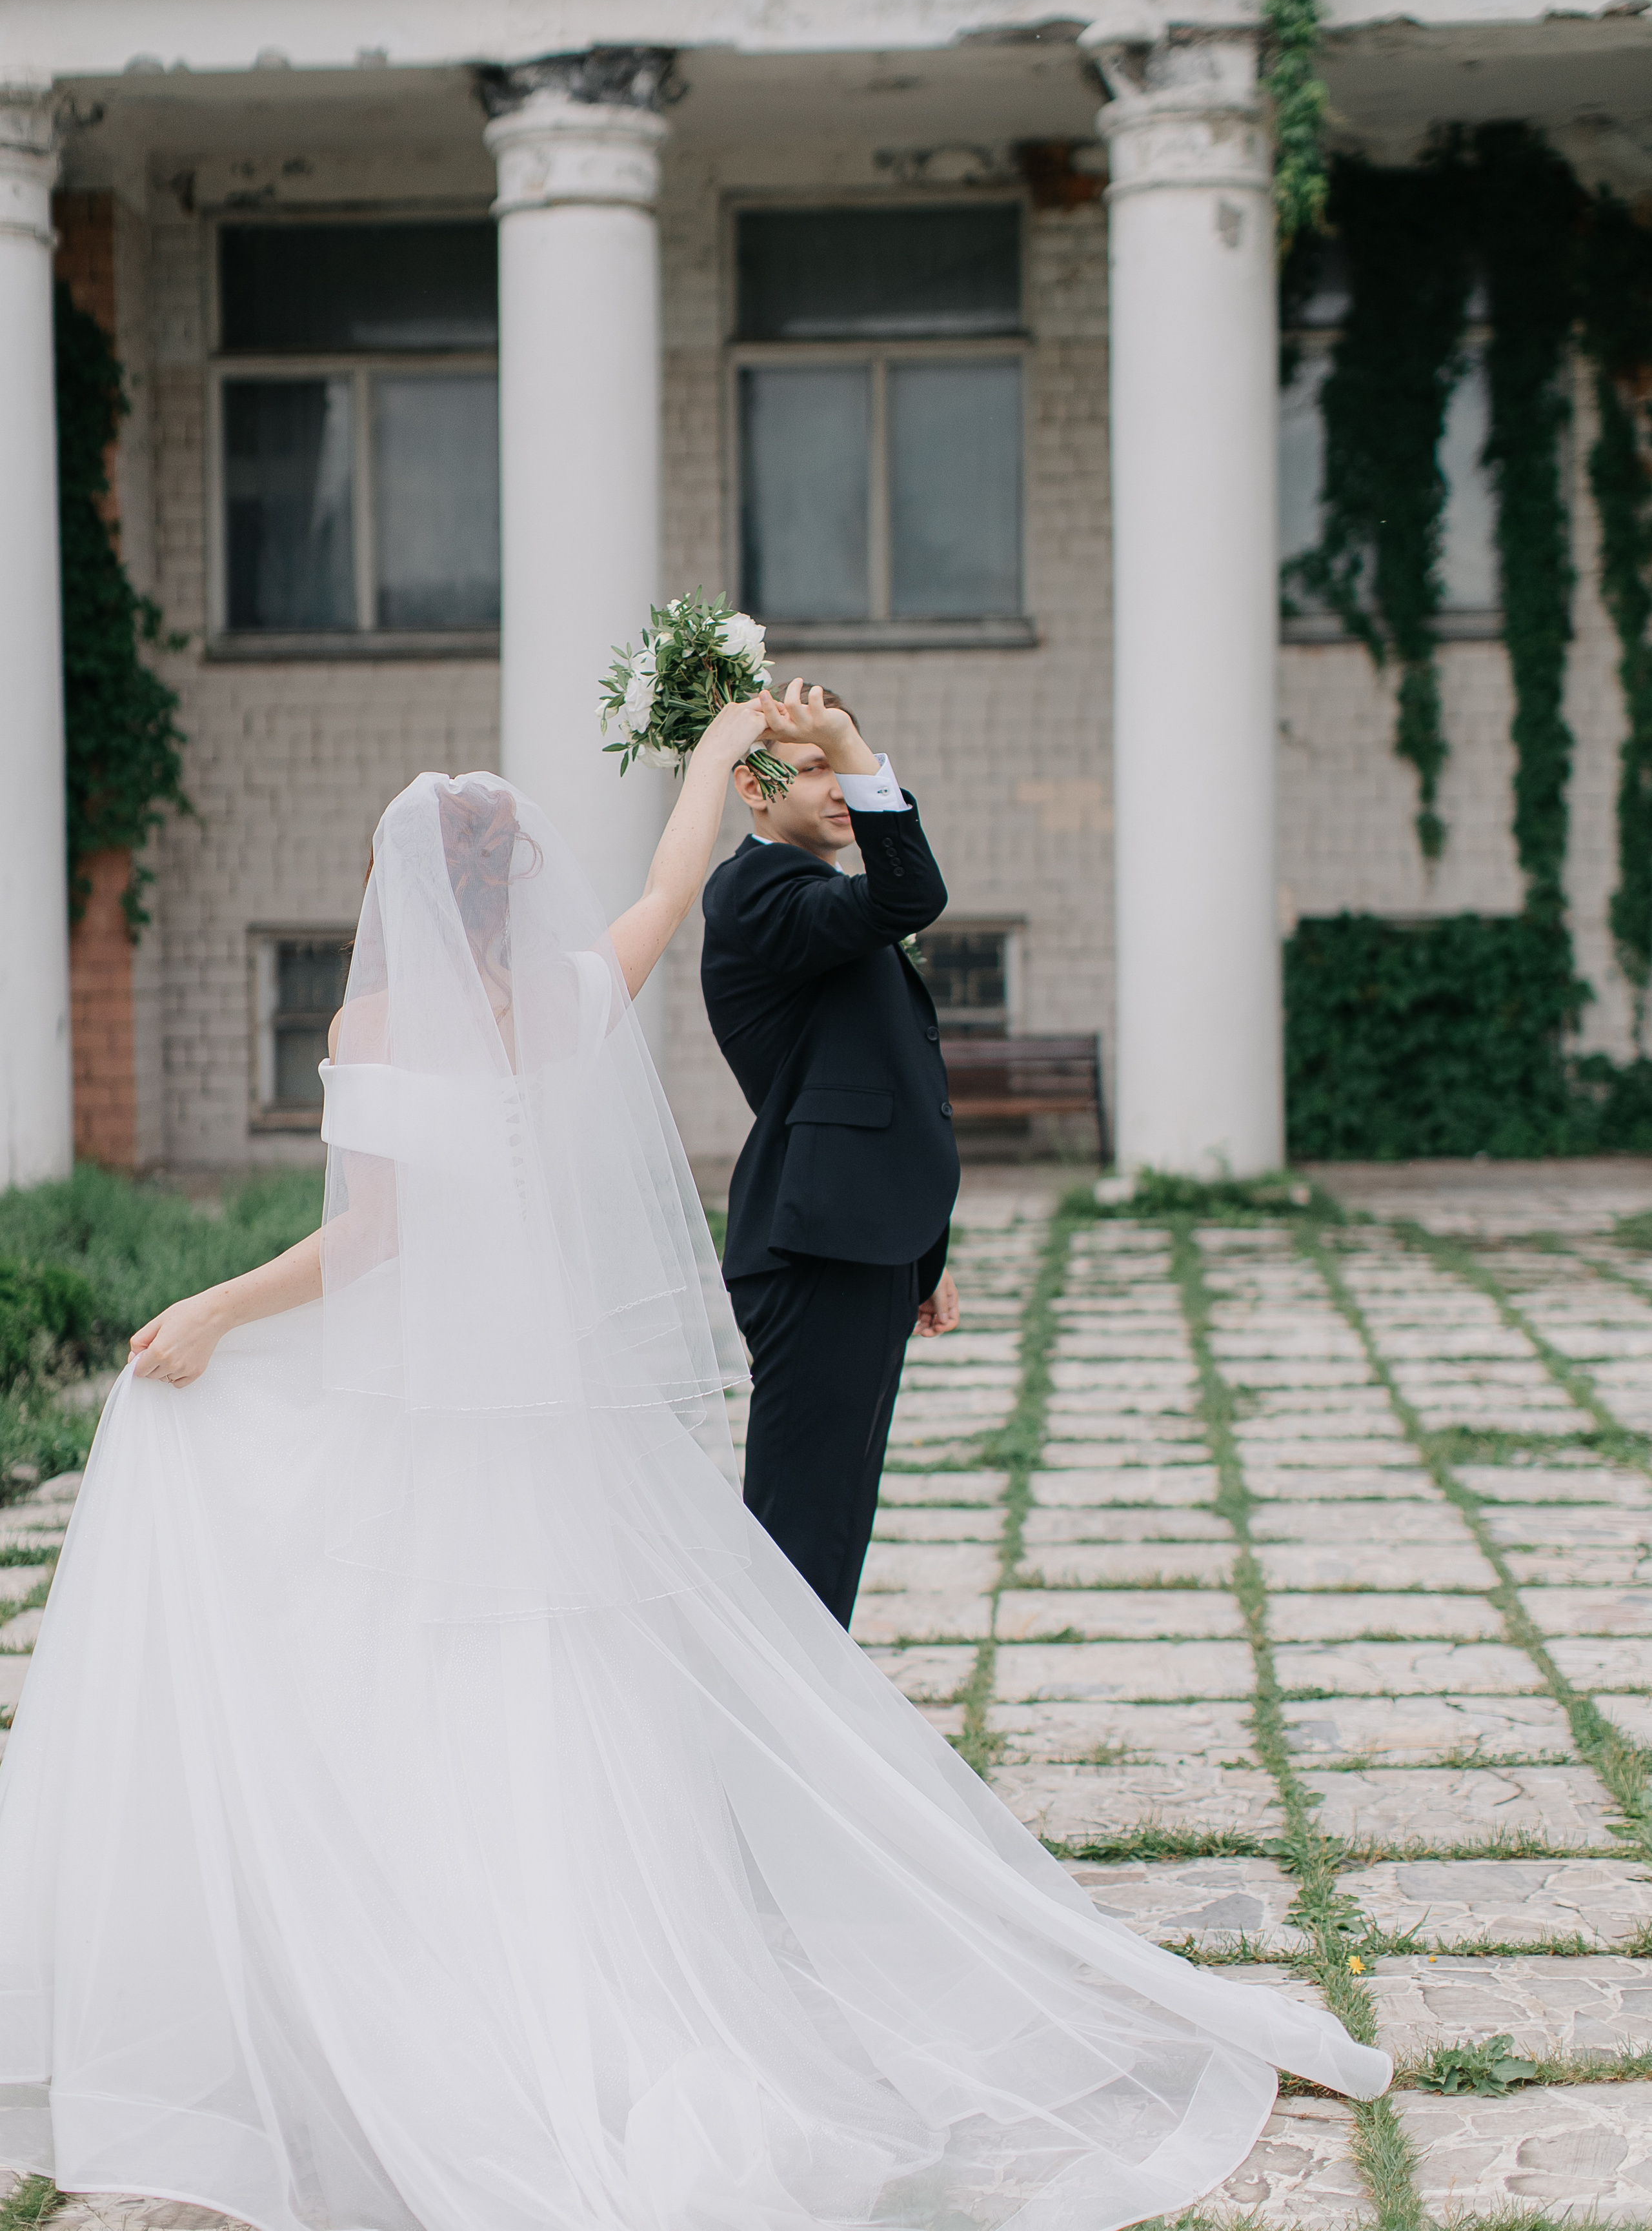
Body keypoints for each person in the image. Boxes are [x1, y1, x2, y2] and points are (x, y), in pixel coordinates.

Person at [0, 712, 1389, 2231]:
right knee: (575, 1707)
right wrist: (707, 753)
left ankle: (451, 2010)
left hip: (439, 1421)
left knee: (413, 1692)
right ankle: (615, 1981)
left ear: (395, 898)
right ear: (516, 888)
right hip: (566, 1430)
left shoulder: (376, 1035)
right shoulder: (573, 999)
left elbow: (377, 1242)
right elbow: (667, 889)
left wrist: (213, 1306)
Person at [700, 683, 961, 1627]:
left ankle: (792, 1755)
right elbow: (910, 894)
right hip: (816, 1258)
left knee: (830, 1528)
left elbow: (864, 1082)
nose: (842, 783)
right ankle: (751, 1763)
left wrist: (921, 1252)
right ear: (751, 788)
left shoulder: (817, 901)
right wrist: (848, 733)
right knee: (796, 1541)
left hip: (859, 1248)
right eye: (817, 768)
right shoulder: (757, 890)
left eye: (845, 763)